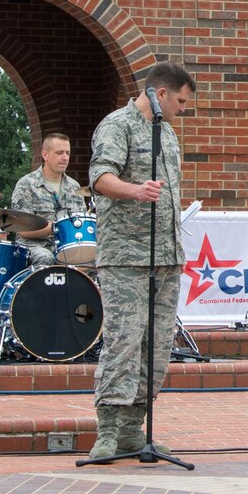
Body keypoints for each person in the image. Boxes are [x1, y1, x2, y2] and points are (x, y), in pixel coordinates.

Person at [83, 64, 195, 461]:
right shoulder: (119, 125)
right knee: (125, 341)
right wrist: (135, 190)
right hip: (127, 257)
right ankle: (108, 431)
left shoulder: (166, 132)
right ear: (159, 93)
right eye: (180, 100)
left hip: (165, 258)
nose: (182, 109)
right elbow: (100, 177)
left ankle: (134, 430)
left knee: (157, 347)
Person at [9, 133, 86, 265]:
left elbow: (82, 223)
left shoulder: (74, 186)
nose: (65, 157)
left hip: (66, 246)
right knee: (45, 257)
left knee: (92, 259)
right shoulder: (26, 184)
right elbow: (23, 231)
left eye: (67, 153)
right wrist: (57, 227)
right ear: (45, 155)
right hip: (34, 247)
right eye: (59, 153)